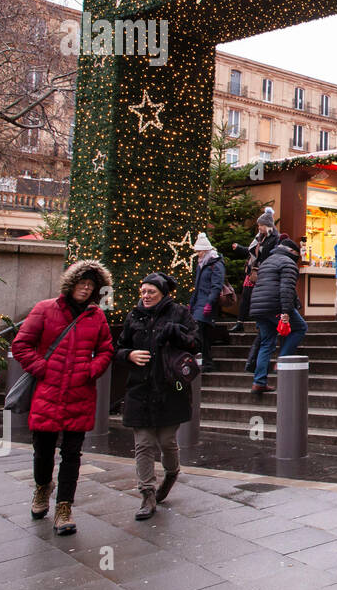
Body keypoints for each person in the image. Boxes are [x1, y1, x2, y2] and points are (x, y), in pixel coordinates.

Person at [11, 260, 115, 536]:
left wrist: (91, 370)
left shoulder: (97, 317)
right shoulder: (45, 309)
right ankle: (43, 487)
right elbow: (21, 344)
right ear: (71, 285)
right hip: (48, 392)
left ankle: (64, 507)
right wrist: (42, 369)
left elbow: (106, 350)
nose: (86, 288)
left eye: (91, 285)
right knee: (43, 451)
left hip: (80, 394)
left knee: (72, 455)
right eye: (82, 283)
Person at [115, 272, 199, 520]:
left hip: (170, 388)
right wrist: (128, 355)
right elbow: (118, 348)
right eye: (143, 291)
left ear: (163, 293)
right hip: (140, 388)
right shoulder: (134, 315)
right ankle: (147, 493)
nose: (146, 296)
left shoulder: (179, 313)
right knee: (143, 443)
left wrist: (176, 333)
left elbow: (195, 344)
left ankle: (171, 473)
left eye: (151, 291)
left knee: (166, 441)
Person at [248, 237, 306, 393]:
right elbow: (286, 289)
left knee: (266, 343)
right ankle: (281, 361)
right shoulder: (288, 264)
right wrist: (286, 312)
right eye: (297, 252)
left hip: (259, 307)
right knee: (300, 327)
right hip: (275, 305)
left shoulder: (267, 261)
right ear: (291, 252)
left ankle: (259, 382)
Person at [229, 208, 278, 334]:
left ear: (267, 225)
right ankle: (240, 322)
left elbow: (273, 255)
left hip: (265, 273)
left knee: (260, 299)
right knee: (246, 296)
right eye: (259, 225)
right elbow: (250, 251)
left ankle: (260, 323)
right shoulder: (259, 237)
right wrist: (238, 248)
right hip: (253, 271)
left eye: (261, 225)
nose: (259, 228)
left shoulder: (274, 239)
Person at [189, 232, 224, 372]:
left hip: (206, 304)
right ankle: (206, 361)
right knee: (201, 334)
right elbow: (197, 287)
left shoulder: (215, 264)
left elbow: (216, 286)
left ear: (205, 250)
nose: (198, 254)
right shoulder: (202, 264)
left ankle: (206, 362)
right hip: (199, 303)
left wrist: (209, 303)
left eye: (199, 251)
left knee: (199, 332)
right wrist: (192, 303)